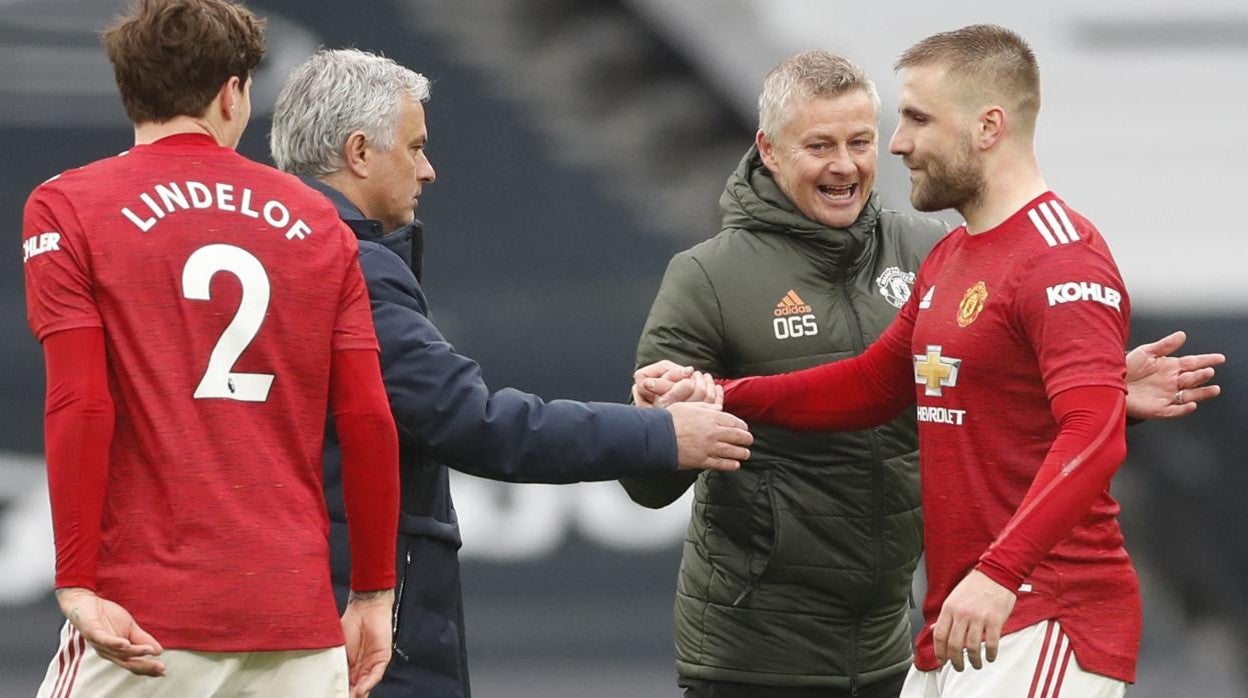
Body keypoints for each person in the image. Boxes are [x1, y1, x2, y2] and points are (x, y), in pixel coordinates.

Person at [626, 48, 1224, 698]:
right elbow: (872, 385)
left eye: (912, 122)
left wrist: (1001, 571)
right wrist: (713, 394)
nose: (897, 146)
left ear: (987, 128)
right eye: (828, 141)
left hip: (1040, 613)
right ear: (770, 151)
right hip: (940, 625)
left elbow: (1093, 435)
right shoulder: (953, 256)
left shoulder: (1057, 257)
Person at [269, 48, 754, 698]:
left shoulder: (256, 253)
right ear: (359, 153)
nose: (429, 170)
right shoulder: (353, 266)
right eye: (414, 147)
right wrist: (660, 435)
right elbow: (474, 422)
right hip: (358, 627)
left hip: (268, 600)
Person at [21, 2, 401, 697]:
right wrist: (374, 592)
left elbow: (80, 400)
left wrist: (75, 580)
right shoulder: (318, 219)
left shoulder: (69, 205)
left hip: (147, 620)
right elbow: (369, 418)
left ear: (130, 87)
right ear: (232, 91)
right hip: (296, 623)